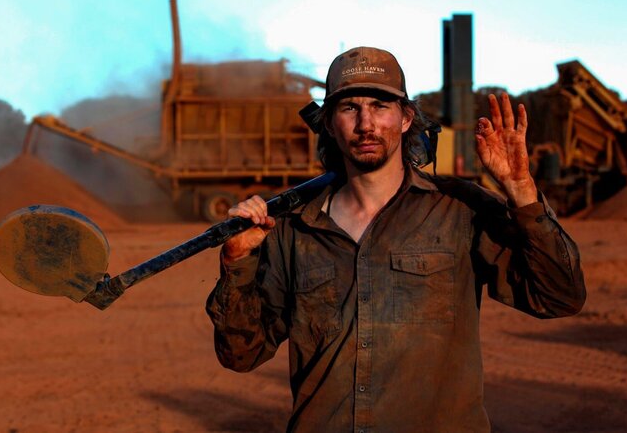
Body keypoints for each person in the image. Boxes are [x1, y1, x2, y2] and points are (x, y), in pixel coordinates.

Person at [206, 46, 585, 432]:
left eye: (380, 105)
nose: (366, 124)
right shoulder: (293, 229)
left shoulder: (459, 210)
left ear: (406, 118)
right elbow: (240, 354)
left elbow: (558, 297)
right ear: (330, 124)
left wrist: (521, 191)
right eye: (349, 108)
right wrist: (236, 263)